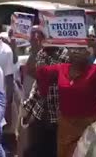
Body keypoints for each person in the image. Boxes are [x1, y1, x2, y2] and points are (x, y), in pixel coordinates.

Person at [31, 38, 96, 157]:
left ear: (89, 52)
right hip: (66, 129)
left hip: (89, 127)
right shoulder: (61, 68)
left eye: (81, 48)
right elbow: (35, 72)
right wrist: (34, 48)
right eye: (73, 48)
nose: (76, 51)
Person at [22, 28, 69, 157]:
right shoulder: (40, 53)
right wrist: (34, 48)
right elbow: (32, 74)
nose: (41, 40)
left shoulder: (65, 54)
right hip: (40, 113)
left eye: (43, 36)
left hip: (58, 115)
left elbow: (48, 75)